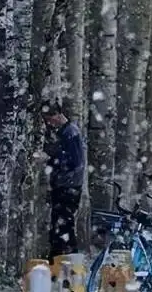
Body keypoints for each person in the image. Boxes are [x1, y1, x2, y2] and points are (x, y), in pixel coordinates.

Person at [44, 103, 85, 262]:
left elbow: (75, 162)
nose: (50, 123)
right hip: (64, 185)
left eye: (50, 119)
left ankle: (68, 260)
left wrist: (52, 160)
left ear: (58, 115)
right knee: (59, 224)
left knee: (64, 225)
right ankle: (57, 260)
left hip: (68, 186)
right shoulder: (66, 133)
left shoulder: (70, 133)